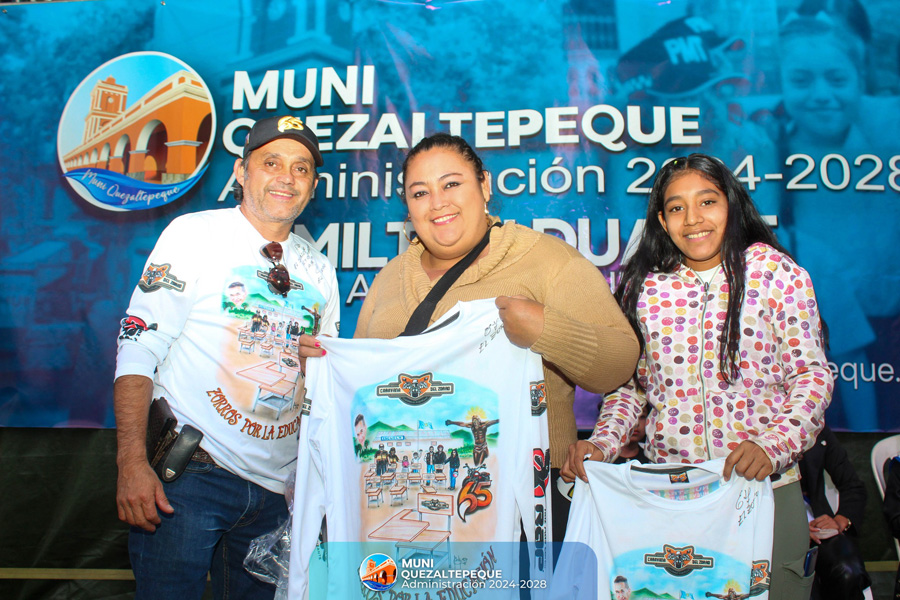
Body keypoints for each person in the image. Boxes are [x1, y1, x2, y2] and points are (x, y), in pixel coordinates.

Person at [562, 153, 832, 600]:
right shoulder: (645, 287)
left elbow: (811, 376)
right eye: (676, 207)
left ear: (731, 204)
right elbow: (631, 389)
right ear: (662, 221)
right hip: (672, 497)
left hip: (762, 489)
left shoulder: (774, 273)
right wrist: (602, 443)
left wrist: (772, 446)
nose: (693, 219)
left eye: (707, 201)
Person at [354, 133, 640, 539]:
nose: (438, 202)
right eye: (420, 193)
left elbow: (620, 361)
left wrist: (547, 330)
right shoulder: (388, 279)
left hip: (524, 498)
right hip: (406, 495)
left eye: (452, 184)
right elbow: (360, 390)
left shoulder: (546, 260)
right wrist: (326, 367)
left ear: (485, 185)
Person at [114, 115, 340, 600]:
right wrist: (131, 462)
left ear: (313, 186)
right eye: (271, 162)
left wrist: (315, 367)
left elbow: (324, 385)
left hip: (277, 495)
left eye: (301, 168)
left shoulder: (320, 268)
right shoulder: (195, 234)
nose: (287, 177)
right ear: (241, 171)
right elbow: (138, 345)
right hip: (190, 477)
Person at [798, 424, 870, 600]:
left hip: (818, 525)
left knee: (848, 573)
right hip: (773, 530)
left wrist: (840, 520)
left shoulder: (815, 428)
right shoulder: (747, 430)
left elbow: (853, 486)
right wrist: (795, 529)